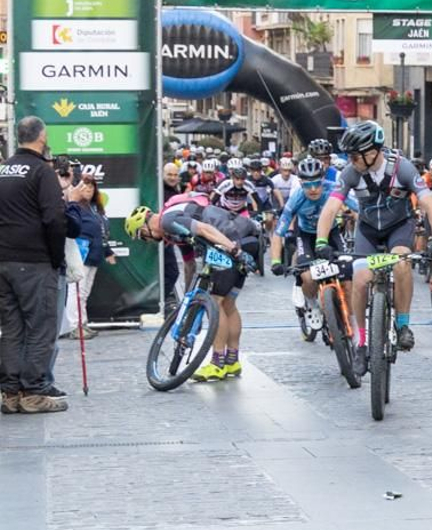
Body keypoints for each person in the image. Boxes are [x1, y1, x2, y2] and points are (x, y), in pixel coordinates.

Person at [315, 121, 432, 368]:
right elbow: (331, 207)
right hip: (368, 230)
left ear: (371, 152)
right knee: (361, 279)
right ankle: (362, 342)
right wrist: (321, 240)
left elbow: (428, 201)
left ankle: (404, 325)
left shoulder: (402, 168)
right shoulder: (351, 173)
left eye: (354, 155)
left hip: (399, 228)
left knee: (402, 263)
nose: (351, 160)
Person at [124, 193, 260, 383]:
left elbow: (204, 229)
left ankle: (217, 363)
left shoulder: (167, 221)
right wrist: (189, 296)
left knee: (215, 302)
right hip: (247, 237)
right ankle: (232, 360)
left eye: (143, 237)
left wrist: (234, 251)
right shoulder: (174, 231)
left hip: (231, 240)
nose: (149, 241)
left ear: (144, 228)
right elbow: (189, 266)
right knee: (229, 305)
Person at [0, 118, 78, 413]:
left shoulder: (4, 168)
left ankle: (9, 393)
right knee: (40, 328)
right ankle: (33, 392)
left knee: (11, 328)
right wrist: (56, 258)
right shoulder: (40, 172)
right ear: (42, 137)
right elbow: (54, 219)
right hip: (33, 261)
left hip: (4, 261)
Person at [271, 157, 343, 329]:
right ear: (301, 182)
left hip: (331, 233)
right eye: (307, 185)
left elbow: (357, 210)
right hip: (306, 236)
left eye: (317, 184)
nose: (313, 189)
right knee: (308, 277)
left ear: (323, 180)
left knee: (348, 272)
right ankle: (311, 304)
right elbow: (277, 233)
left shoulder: (333, 190)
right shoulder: (296, 198)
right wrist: (275, 261)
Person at [61, 170, 112, 340]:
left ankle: (82, 324)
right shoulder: (75, 206)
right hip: (80, 254)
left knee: (84, 293)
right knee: (76, 291)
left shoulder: (96, 208)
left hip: (94, 254)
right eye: (85, 186)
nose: (88, 189)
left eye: (91, 186)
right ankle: (74, 326)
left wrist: (107, 252)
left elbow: (102, 231)